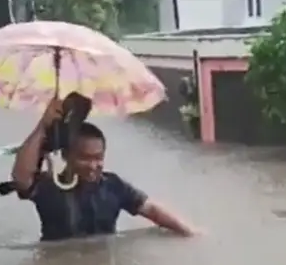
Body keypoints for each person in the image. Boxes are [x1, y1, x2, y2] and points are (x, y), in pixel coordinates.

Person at [11, 97, 197, 241]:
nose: (93, 166)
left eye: (98, 158)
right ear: (66, 155)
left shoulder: (113, 186)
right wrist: (43, 125)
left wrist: (189, 232)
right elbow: (21, 178)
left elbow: (152, 210)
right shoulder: (49, 187)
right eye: (85, 158)